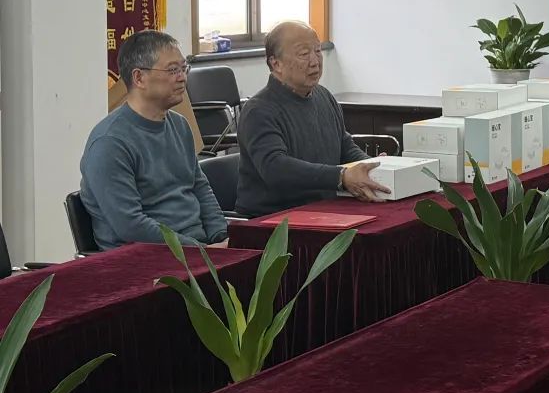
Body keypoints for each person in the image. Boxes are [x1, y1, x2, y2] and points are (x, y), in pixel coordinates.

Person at [80, 30, 228, 249]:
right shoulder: (110, 142)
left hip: (197, 249)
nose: (182, 77)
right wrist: (202, 251)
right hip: (145, 257)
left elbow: (200, 187)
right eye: (172, 70)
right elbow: (131, 226)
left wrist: (222, 237)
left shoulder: (179, 125)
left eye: (184, 68)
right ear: (139, 78)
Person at [236, 20, 389, 217]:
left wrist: (372, 168)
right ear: (276, 63)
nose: (315, 61)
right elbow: (275, 168)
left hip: (325, 210)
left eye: (318, 51)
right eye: (304, 54)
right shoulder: (258, 110)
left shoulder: (323, 96)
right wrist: (341, 176)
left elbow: (345, 147)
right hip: (275, 219)